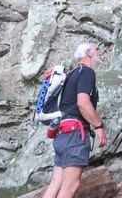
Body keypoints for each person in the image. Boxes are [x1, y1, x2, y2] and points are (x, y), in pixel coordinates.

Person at [43, 43, 108, 198]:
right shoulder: (86, 72)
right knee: (71, 186)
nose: (100, 53)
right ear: (89, 53)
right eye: (97, 50)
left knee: (55, 185)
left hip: (62, 134)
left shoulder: (72, 73)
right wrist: (99, 126)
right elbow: (82, 103)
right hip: (74, 136)